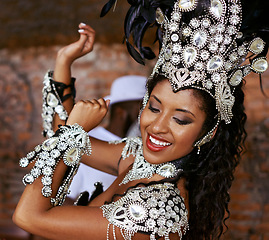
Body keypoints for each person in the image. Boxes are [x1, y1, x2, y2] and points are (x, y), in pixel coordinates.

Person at [13, 0, 268, 239]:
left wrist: (73, 131)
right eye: (154, 108)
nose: (157, 127)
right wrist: (64, 62)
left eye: (180, 120)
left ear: (208, 132)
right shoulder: (138, 160)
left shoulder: (158, 211)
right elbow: (59, 136)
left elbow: (29, 217)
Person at [68, 75, 147, 200]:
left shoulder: (144, 148)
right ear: (121, 112)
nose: (146, 117)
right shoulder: (88, 141)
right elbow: (67, 198)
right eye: (141, 109)